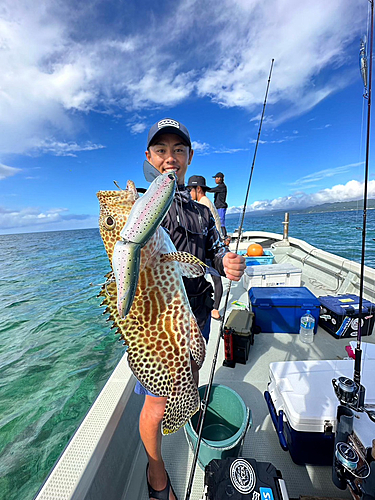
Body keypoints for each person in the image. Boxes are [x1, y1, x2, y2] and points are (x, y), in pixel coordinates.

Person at [139, 118, 246, 500]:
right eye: (162, 150)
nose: (171, 158)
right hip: (156, 325)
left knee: (193, 374)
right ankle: (156, 468)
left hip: (196, 317)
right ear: (149, 157)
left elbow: (215, 252)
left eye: (179, 150)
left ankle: (188, 412)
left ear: (189, 157)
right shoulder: (143, 205)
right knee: (156, 401)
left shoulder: (202, 212)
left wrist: (227, 262)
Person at [187, 175, 223, 321]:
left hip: (211, 245)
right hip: (212, 243)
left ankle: (215, 308)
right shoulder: (205, 201)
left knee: (216, 277)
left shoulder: (203, 204)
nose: (189, 193)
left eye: (190, 189)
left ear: (198, 189)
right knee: (215, 277)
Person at [208, 172, 228, 237]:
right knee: (217, 222)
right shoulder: (220, 187)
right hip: (218, 208)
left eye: (216, 178)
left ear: (220, 178)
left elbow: (211, 190)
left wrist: (203, 188)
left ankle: (224, 236)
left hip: (221, 208)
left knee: (221, 223)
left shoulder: (222, 187)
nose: (215, 180)